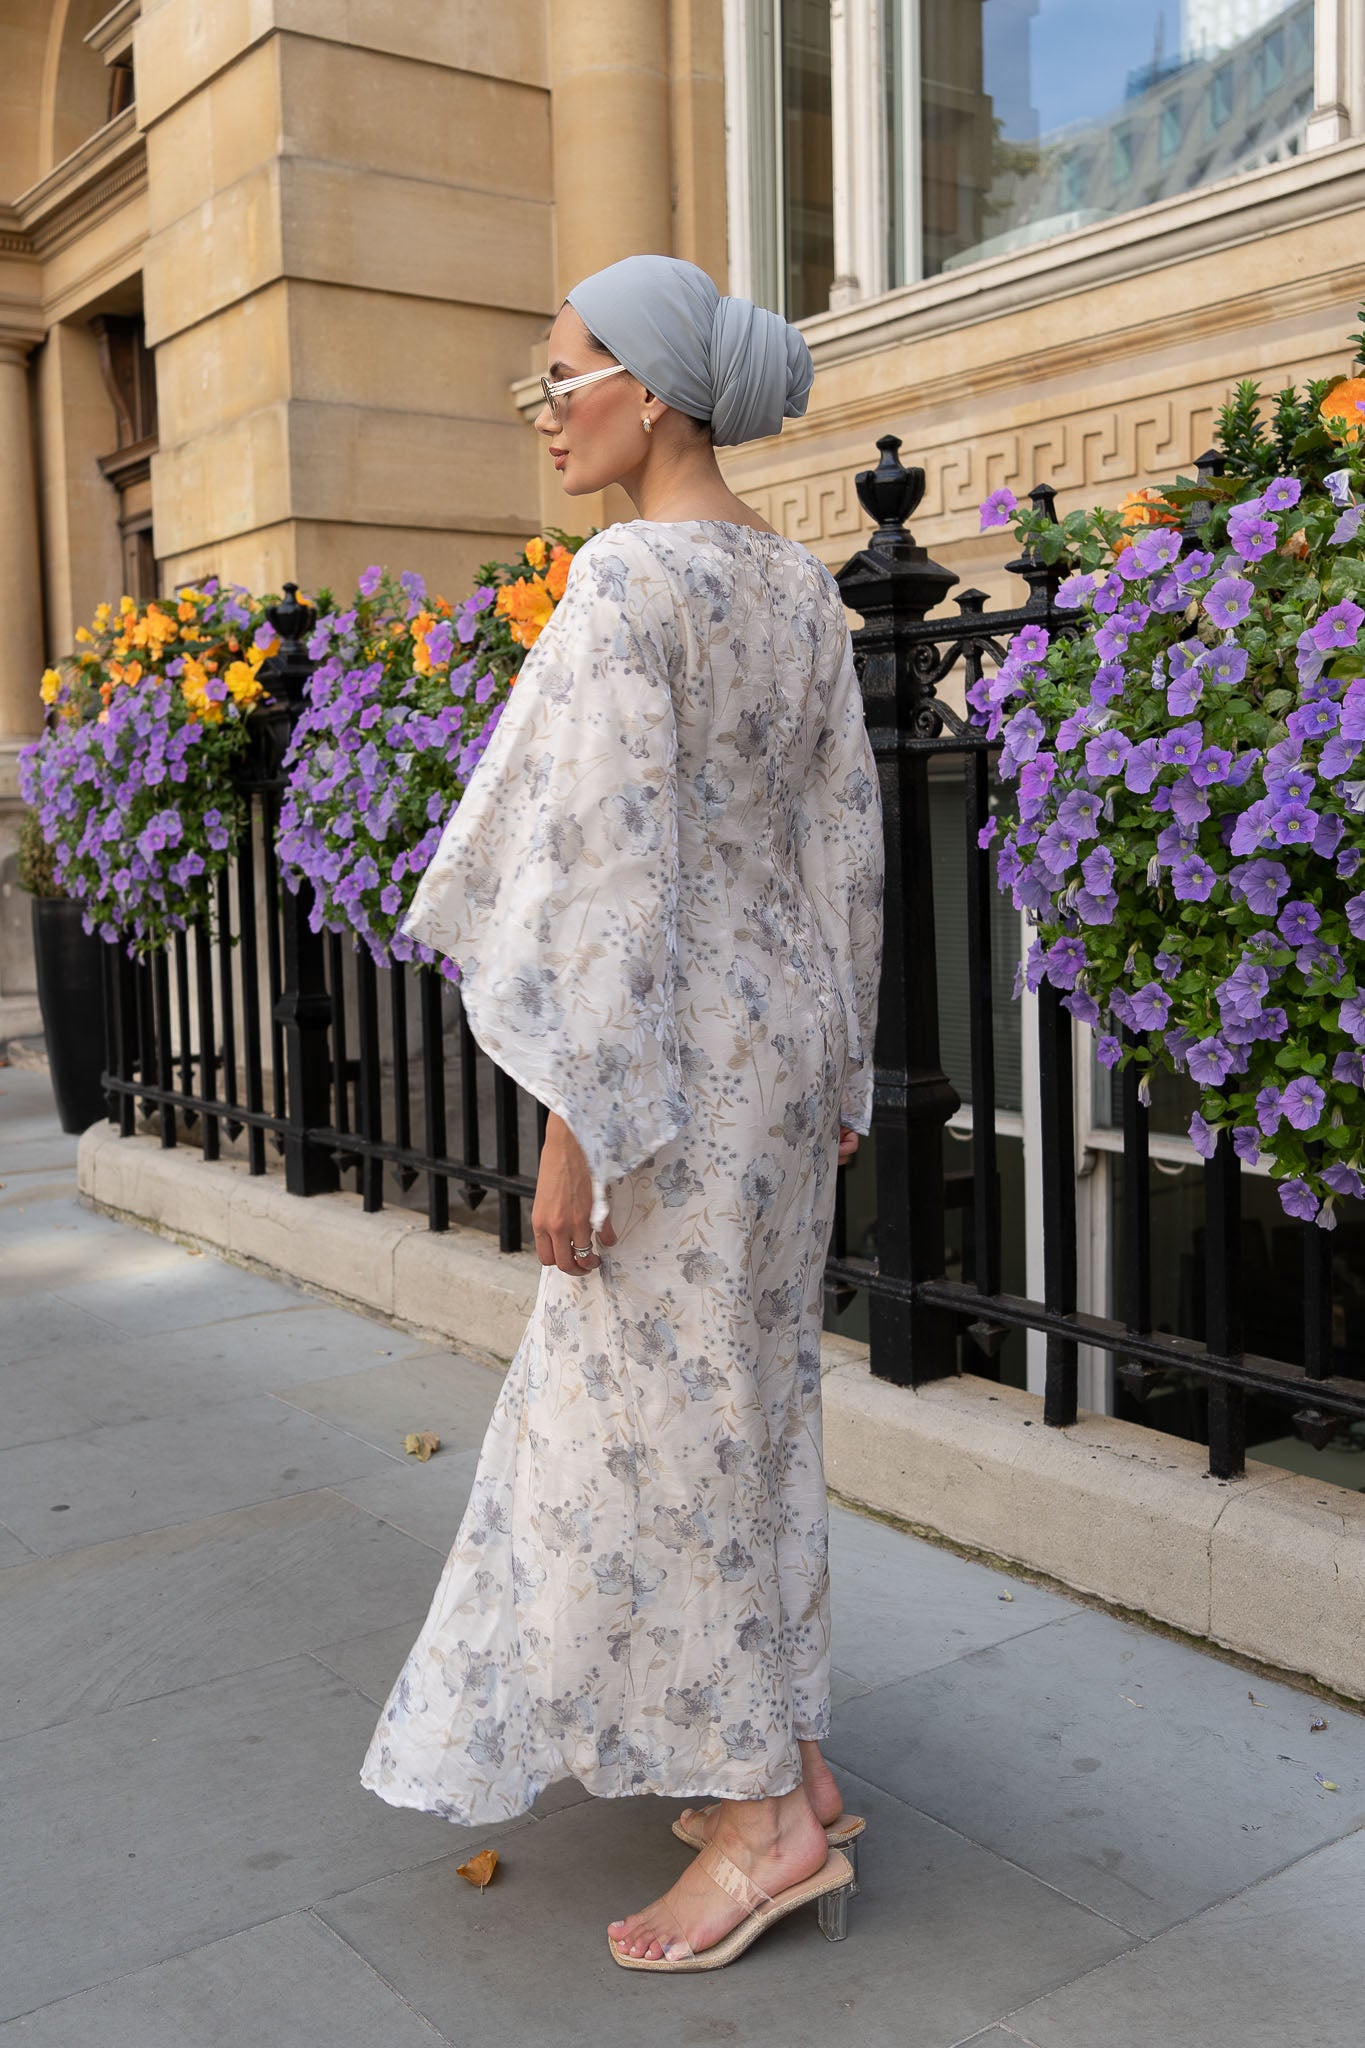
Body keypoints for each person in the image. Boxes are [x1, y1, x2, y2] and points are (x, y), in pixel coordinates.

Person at [359, 253, 886, 1973]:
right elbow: (841, 852)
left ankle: (757, 1826)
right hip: (777, 1060)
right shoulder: (798, 588)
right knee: (749, 1405)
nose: (545, 412)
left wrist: (571, 1132)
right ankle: (785, 1750)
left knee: (660, 1433)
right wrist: (844, 1060)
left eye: (560, 378)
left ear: (647, 392)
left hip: (661, 1073)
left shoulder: (625, 584)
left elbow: (600, 880)